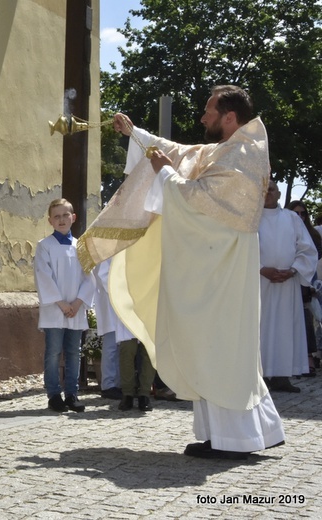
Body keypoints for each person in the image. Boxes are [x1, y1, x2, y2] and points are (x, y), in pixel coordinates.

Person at [78, 85, 285, 460]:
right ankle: (224, 436)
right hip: (214, 269)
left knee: (218, 349)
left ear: (229, 117)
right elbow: (181, 153)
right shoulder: (227, 150)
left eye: (209, 111)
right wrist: (136, 134)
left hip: (221, 273)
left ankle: (235, 441)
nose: (202, 118)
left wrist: (167, 176)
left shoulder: (243, 154)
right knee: (209, 347)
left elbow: (200, 202)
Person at [34, 199, 95, 413]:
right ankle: (53, 394)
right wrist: (61, 303)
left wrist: (77, 303)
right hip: (55, 309)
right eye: (57, 216)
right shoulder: (45, 246)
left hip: (75, 310)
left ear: (73, 217)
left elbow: (89, 278)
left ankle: (72, 393)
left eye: (65, 215)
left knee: (73, 352)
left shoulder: (81, 246)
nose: (61, 220)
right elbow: (44, 276)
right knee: (53, 352)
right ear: (50, 220)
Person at [259, 181, 317, 391]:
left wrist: (293, 270)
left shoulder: (291, 218)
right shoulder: (250, 219)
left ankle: (282, 376)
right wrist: (260, 268)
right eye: (263, 188)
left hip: (287, 284)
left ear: (279, 193)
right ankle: (261, 375)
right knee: (261, 327)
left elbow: (307, 249)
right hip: (259, 283)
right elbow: (241, 249)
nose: (267, 192)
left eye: (271, 189)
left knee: (285, 328)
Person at [94, 259, 154, 411]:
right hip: (125, 303)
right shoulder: (116, 243)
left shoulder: (147, 240)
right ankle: (127, 394)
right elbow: (104, 273)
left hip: (146, 301)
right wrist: (122, 294)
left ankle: (144, 394)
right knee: (127, 349)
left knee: (148, 350)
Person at [285, 199, 322, 376]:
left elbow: (314, 259)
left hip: (306, 280)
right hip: (286, 278)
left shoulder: (314, 235)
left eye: (303, 213)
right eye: (296, 213)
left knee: (307, 320)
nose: (300, 216)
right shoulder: (285, 229)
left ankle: (309, 357)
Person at [92, 259, 122, 400]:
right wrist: (120, 293)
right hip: (113, 303)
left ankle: (119, 383)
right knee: (111, 346)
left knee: (121, 345)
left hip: (123, 304)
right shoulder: (107, 250)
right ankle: (108, 384)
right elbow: (103, 275)